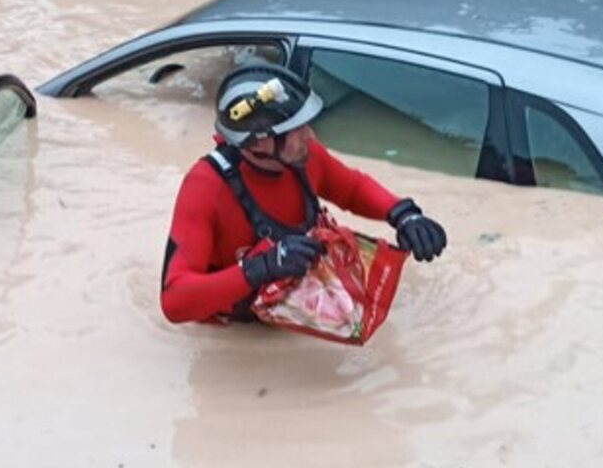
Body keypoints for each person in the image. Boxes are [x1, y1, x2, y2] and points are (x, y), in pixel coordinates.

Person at [160, 61, 447, 325]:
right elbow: (175, 301)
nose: (309, 135)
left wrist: (403, 214)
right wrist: (262, 267)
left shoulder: (303, 157)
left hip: (297, 311)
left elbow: (352, 189)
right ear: (258, 145)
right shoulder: (204, 188)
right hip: (236, 334)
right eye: (296, 129)